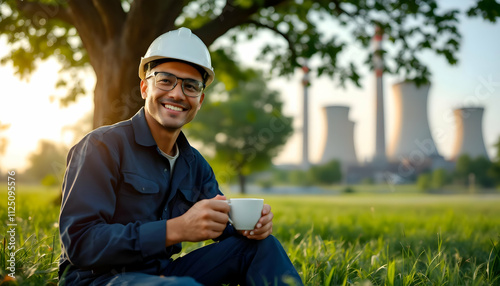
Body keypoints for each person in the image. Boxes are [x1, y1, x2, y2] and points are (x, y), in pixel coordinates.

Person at [58, 27, 303, 286]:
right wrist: (175, 229)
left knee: (261, 247)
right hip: (97, 280)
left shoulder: (194, 165)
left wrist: (254, 227)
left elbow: (225, 226)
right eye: (165, 80)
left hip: (161, 274)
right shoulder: (101, 146)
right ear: (144, 87)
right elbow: (80, 243)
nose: (177, 94)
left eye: (190, 86)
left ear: (200, 100)